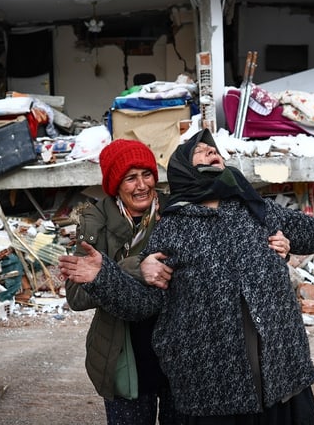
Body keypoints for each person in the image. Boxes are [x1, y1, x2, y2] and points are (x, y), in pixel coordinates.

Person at [60, 129, 314, 424]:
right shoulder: (173, 227)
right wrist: (106, 276)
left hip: (279, 376)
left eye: (215, 151)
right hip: (215, 388)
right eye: (201, 151)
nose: (212, 152)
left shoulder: (259, 211)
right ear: (184, 169)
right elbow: (146, 303)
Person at [64, 137, 291, 425]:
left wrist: (276, 245)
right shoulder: (95, 224)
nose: (142, 185)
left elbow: (231, 246)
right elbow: (76, 295)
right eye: (130, 178)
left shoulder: (181, 208)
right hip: (127, 355)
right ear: (115, 185)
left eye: (147, 174)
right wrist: (134, 267)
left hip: (183, 353)